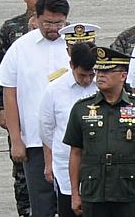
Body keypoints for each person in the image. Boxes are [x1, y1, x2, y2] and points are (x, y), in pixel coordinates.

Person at [0, 0, 72, 217]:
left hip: (73, 141)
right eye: (47, 23)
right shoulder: (21, 48)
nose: (54, 29)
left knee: (74, 204)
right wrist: (16, 139)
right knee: (42, 204)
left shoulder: (76, 45)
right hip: (35, 141)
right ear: (36, 18)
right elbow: (10, 94)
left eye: (59, 23)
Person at [63, 47, 135, 217]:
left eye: (107, 71)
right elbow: (76, 152)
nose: (100, 75)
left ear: (123, 76)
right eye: (99, 70)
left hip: (129, 191)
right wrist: (75, 193)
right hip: (94, 191)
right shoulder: (82, 108)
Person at [0, 0, 49, 217]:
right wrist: (1, 108)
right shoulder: (11, 28)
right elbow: (2, 73)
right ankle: (25, 209)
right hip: (19, 108)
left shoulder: (60, 29)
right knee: (22, 168)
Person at [39, 42, 97, 217]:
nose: (87, 80)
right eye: (82, 75)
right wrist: (54, 157)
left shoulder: (103, 86)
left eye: (91, 74)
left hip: (98, 167)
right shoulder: (54, 90)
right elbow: (46, 129)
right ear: (71, 65)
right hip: (66, 165)